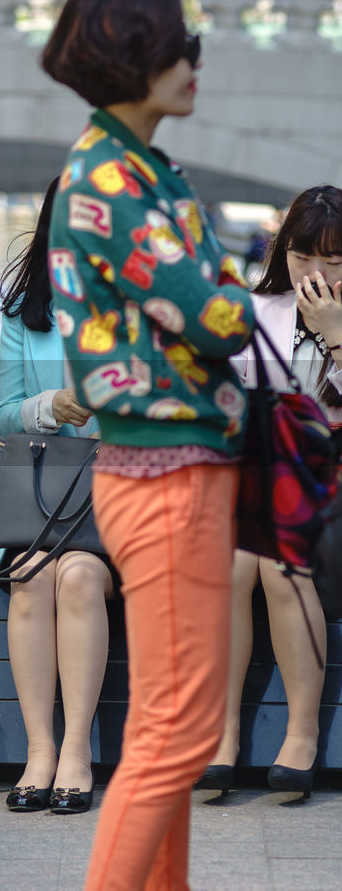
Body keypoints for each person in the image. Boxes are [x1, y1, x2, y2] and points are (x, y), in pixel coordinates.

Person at [42, 0, 255, 889]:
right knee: (180, 730)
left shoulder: (137, 165)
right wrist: (242, 301)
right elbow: (215, 313)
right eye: (179, 45)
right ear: (132, 57)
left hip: (173, 469)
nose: (194, 62)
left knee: (167, 725)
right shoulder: (110, 179)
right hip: (165, 475)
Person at [203, 185, 342, 799]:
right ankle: (222, 733)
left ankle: (302, 733)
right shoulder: (259, 315)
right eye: (303, 258)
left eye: (334, 263)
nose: (315, 275)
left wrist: (335, 336)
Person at [0, 178, 115, 815]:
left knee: (77, 578)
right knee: (31, 574)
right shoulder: (23, 311)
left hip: (124, 500)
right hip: (49, 501)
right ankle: (40, 749)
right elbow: (5, 413)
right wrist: (51, 407)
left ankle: (77, 750)